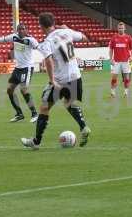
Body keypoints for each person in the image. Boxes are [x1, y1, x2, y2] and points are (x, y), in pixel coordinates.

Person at [21, 13, 91, 150]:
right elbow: (85, 38)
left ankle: (36, 142)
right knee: (68, 102)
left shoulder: (46, 42)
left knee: (44, 107)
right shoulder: (66, 31)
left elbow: (48, 60)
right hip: (76, 76)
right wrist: (67, 29)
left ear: (40, 26)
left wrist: (52, 80)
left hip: (61, 79)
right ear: (54, 22)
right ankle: (83, 127)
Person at [0, 23, 39, 123]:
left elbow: (39, 47)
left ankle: (34, 113)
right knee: (9, 90)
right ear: (17, 30)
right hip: (18, 68)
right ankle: (19, 114)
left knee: (23, 90)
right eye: (19, 29)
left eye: (23, 29)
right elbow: (0, 39)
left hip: (27, 68)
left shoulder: (31, 40)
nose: (21, 31)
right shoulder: (14, 37)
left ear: (27, 30)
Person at [109, 22, 132, 98]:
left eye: (122, 28)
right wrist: (111, 59)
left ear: (124, 28)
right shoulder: (114, 38)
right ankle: (112, 92)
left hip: (126, 61)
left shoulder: (128, 37)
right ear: (117, 29)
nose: (121, 29)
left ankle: (126, 92)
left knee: (126, 78)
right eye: (119, 28)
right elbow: (111, 49)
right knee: (114, 77)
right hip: (116, 61)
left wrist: (131, 56)